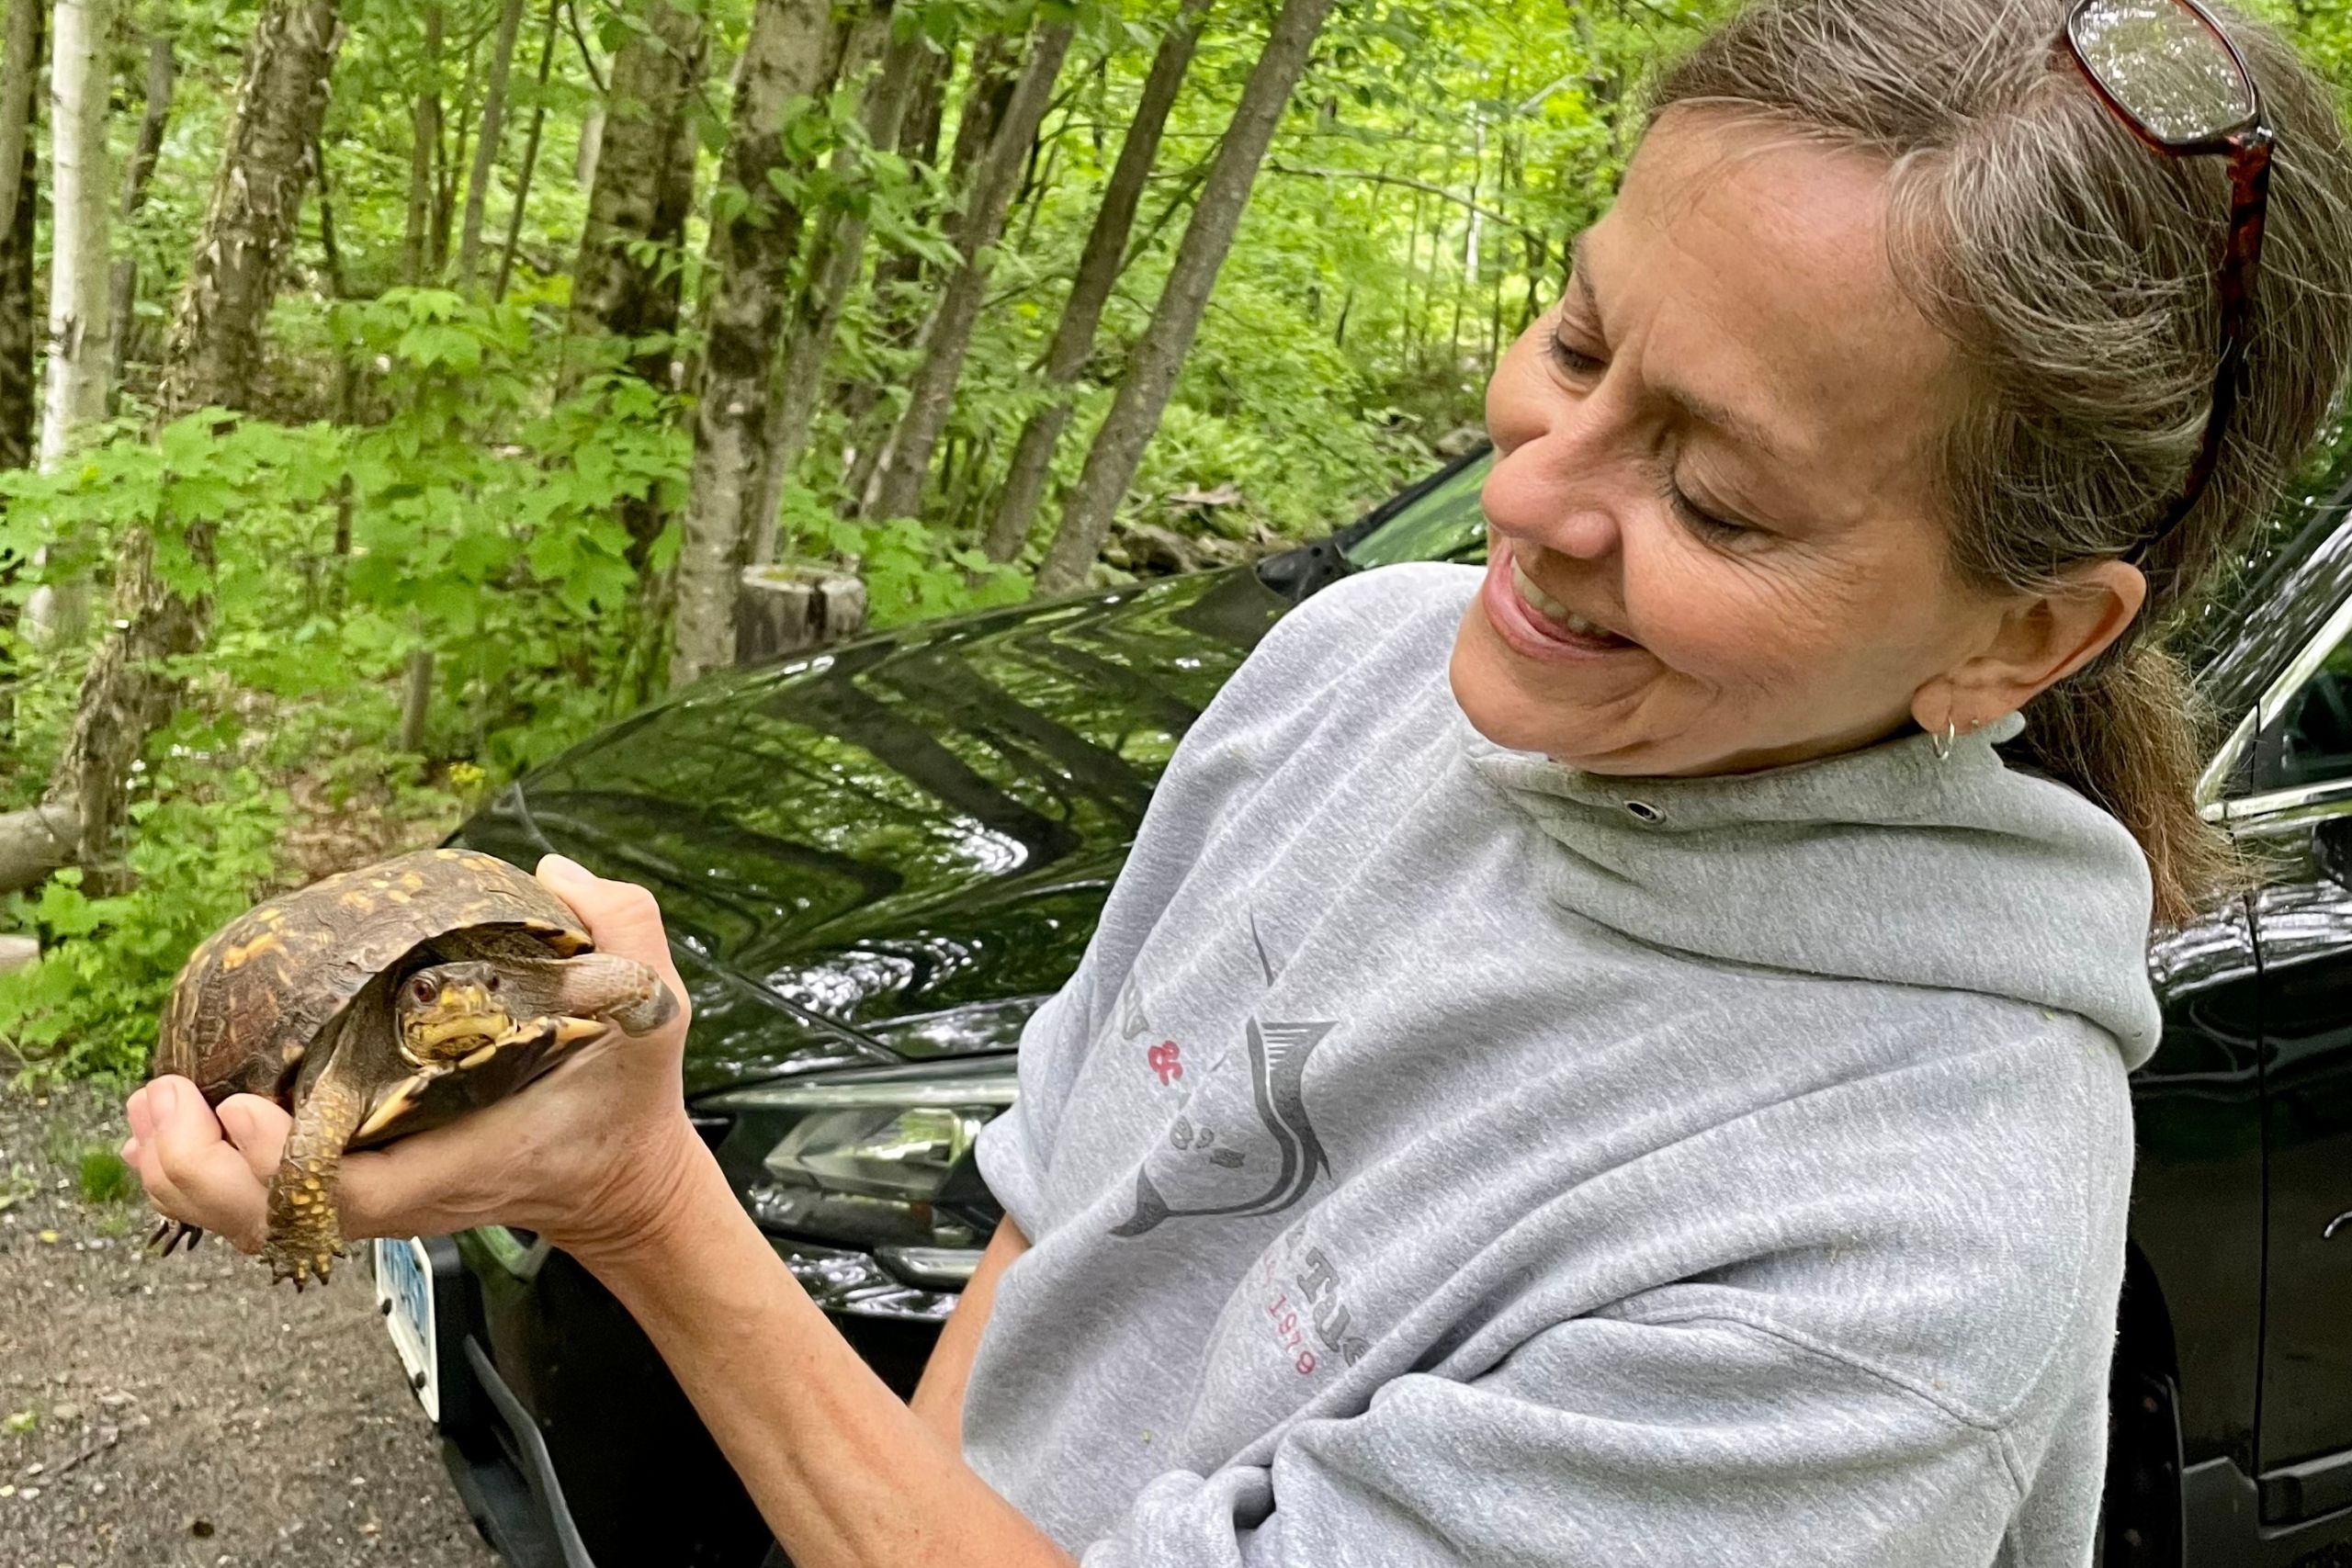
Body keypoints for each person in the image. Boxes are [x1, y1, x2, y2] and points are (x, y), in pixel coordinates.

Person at [125, 0, 2352, 1562]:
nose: (1536, 495)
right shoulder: (1356, 673)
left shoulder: (1882, 1262)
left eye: (1721, 501)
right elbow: (1062, 1233)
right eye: (1575, 343)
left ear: (2023, 634)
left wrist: (643, 1204)